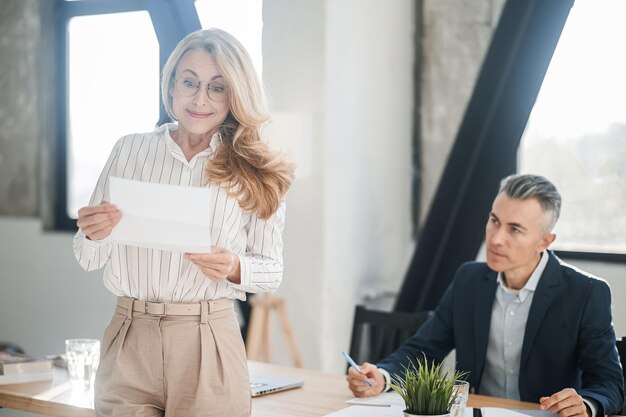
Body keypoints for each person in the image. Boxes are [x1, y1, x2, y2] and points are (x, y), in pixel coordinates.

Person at [74, 28, 295, 417]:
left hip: (207, 340)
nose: (199, 99)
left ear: (234, 95)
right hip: (128, 337)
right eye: (189, 82)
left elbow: (272, 270)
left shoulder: (254, 169)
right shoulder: (129, 150)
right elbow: (87, 257)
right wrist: (93, 235)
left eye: (217, 87)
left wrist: (233, 266)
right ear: (171, 83)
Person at [347, 174, 624, 417]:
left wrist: (586, 404)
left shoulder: (586, 292)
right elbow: (424, 349)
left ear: (545, 241)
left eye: (514, 229)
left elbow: (609, 382)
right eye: (494, 221)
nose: (495, 239)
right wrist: (382, 376)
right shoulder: (469, 279)